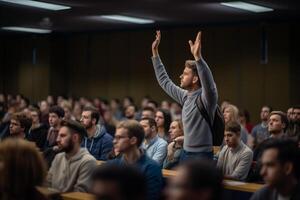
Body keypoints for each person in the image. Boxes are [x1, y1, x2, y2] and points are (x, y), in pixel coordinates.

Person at [152, 30, 218, 160]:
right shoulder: (185, 96)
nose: (181, 76)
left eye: (185, 74)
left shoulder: (206, 99)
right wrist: (155, 54)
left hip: (202, 155)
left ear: (194, 79)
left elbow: (209, 85)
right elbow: (164, 81)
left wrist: (198, 59)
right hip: (186, 153)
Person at [110, 120, 163, 200]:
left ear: (133, 140)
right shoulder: (112, 165)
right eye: (115, 137)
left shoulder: (152, 168)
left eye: (119, 137)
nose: (114, 141)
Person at [47, 120, 97, 192]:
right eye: (58, 135)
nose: (57, 140)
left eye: (62, 136)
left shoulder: (88, 161)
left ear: (75, 138)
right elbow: (47, 183)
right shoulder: (58, 157)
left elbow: (79, 194)